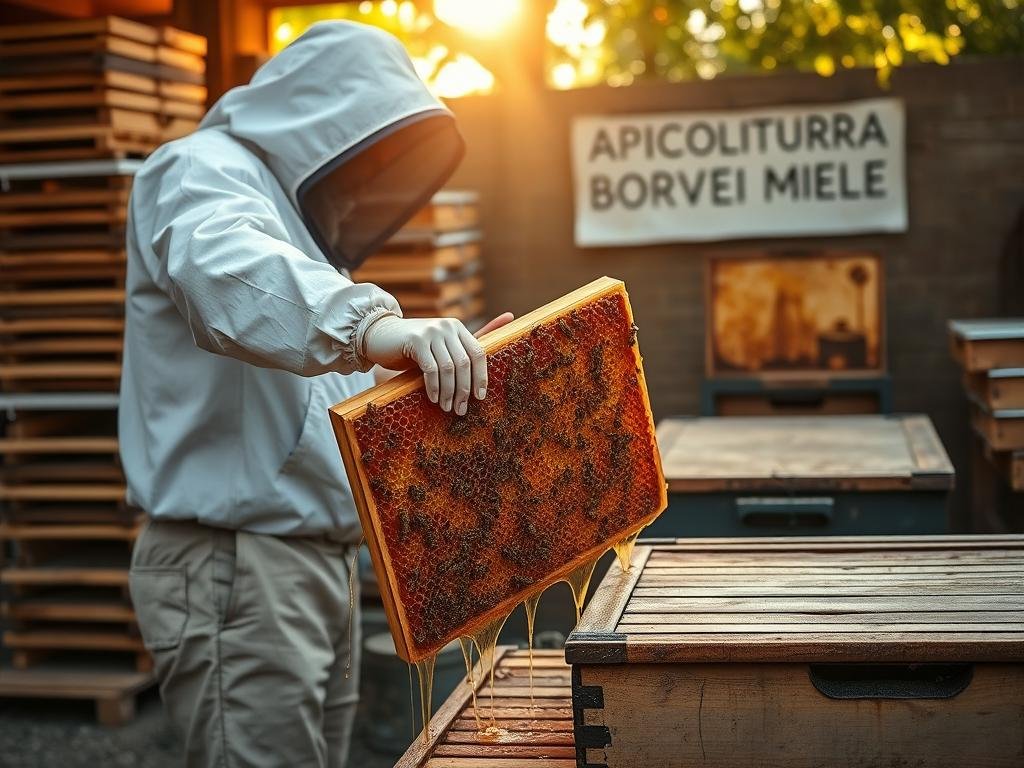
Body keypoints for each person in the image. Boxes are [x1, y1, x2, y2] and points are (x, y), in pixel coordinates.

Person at [122, 21, 509, 768]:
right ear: (324, 115)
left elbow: (299, 394)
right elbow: (225, 270)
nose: (370, 180)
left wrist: (443, 380)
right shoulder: (197, 169)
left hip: (308, 566)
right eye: (370, 151)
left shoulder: (296, 233)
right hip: (238, 567)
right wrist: (379, 327)